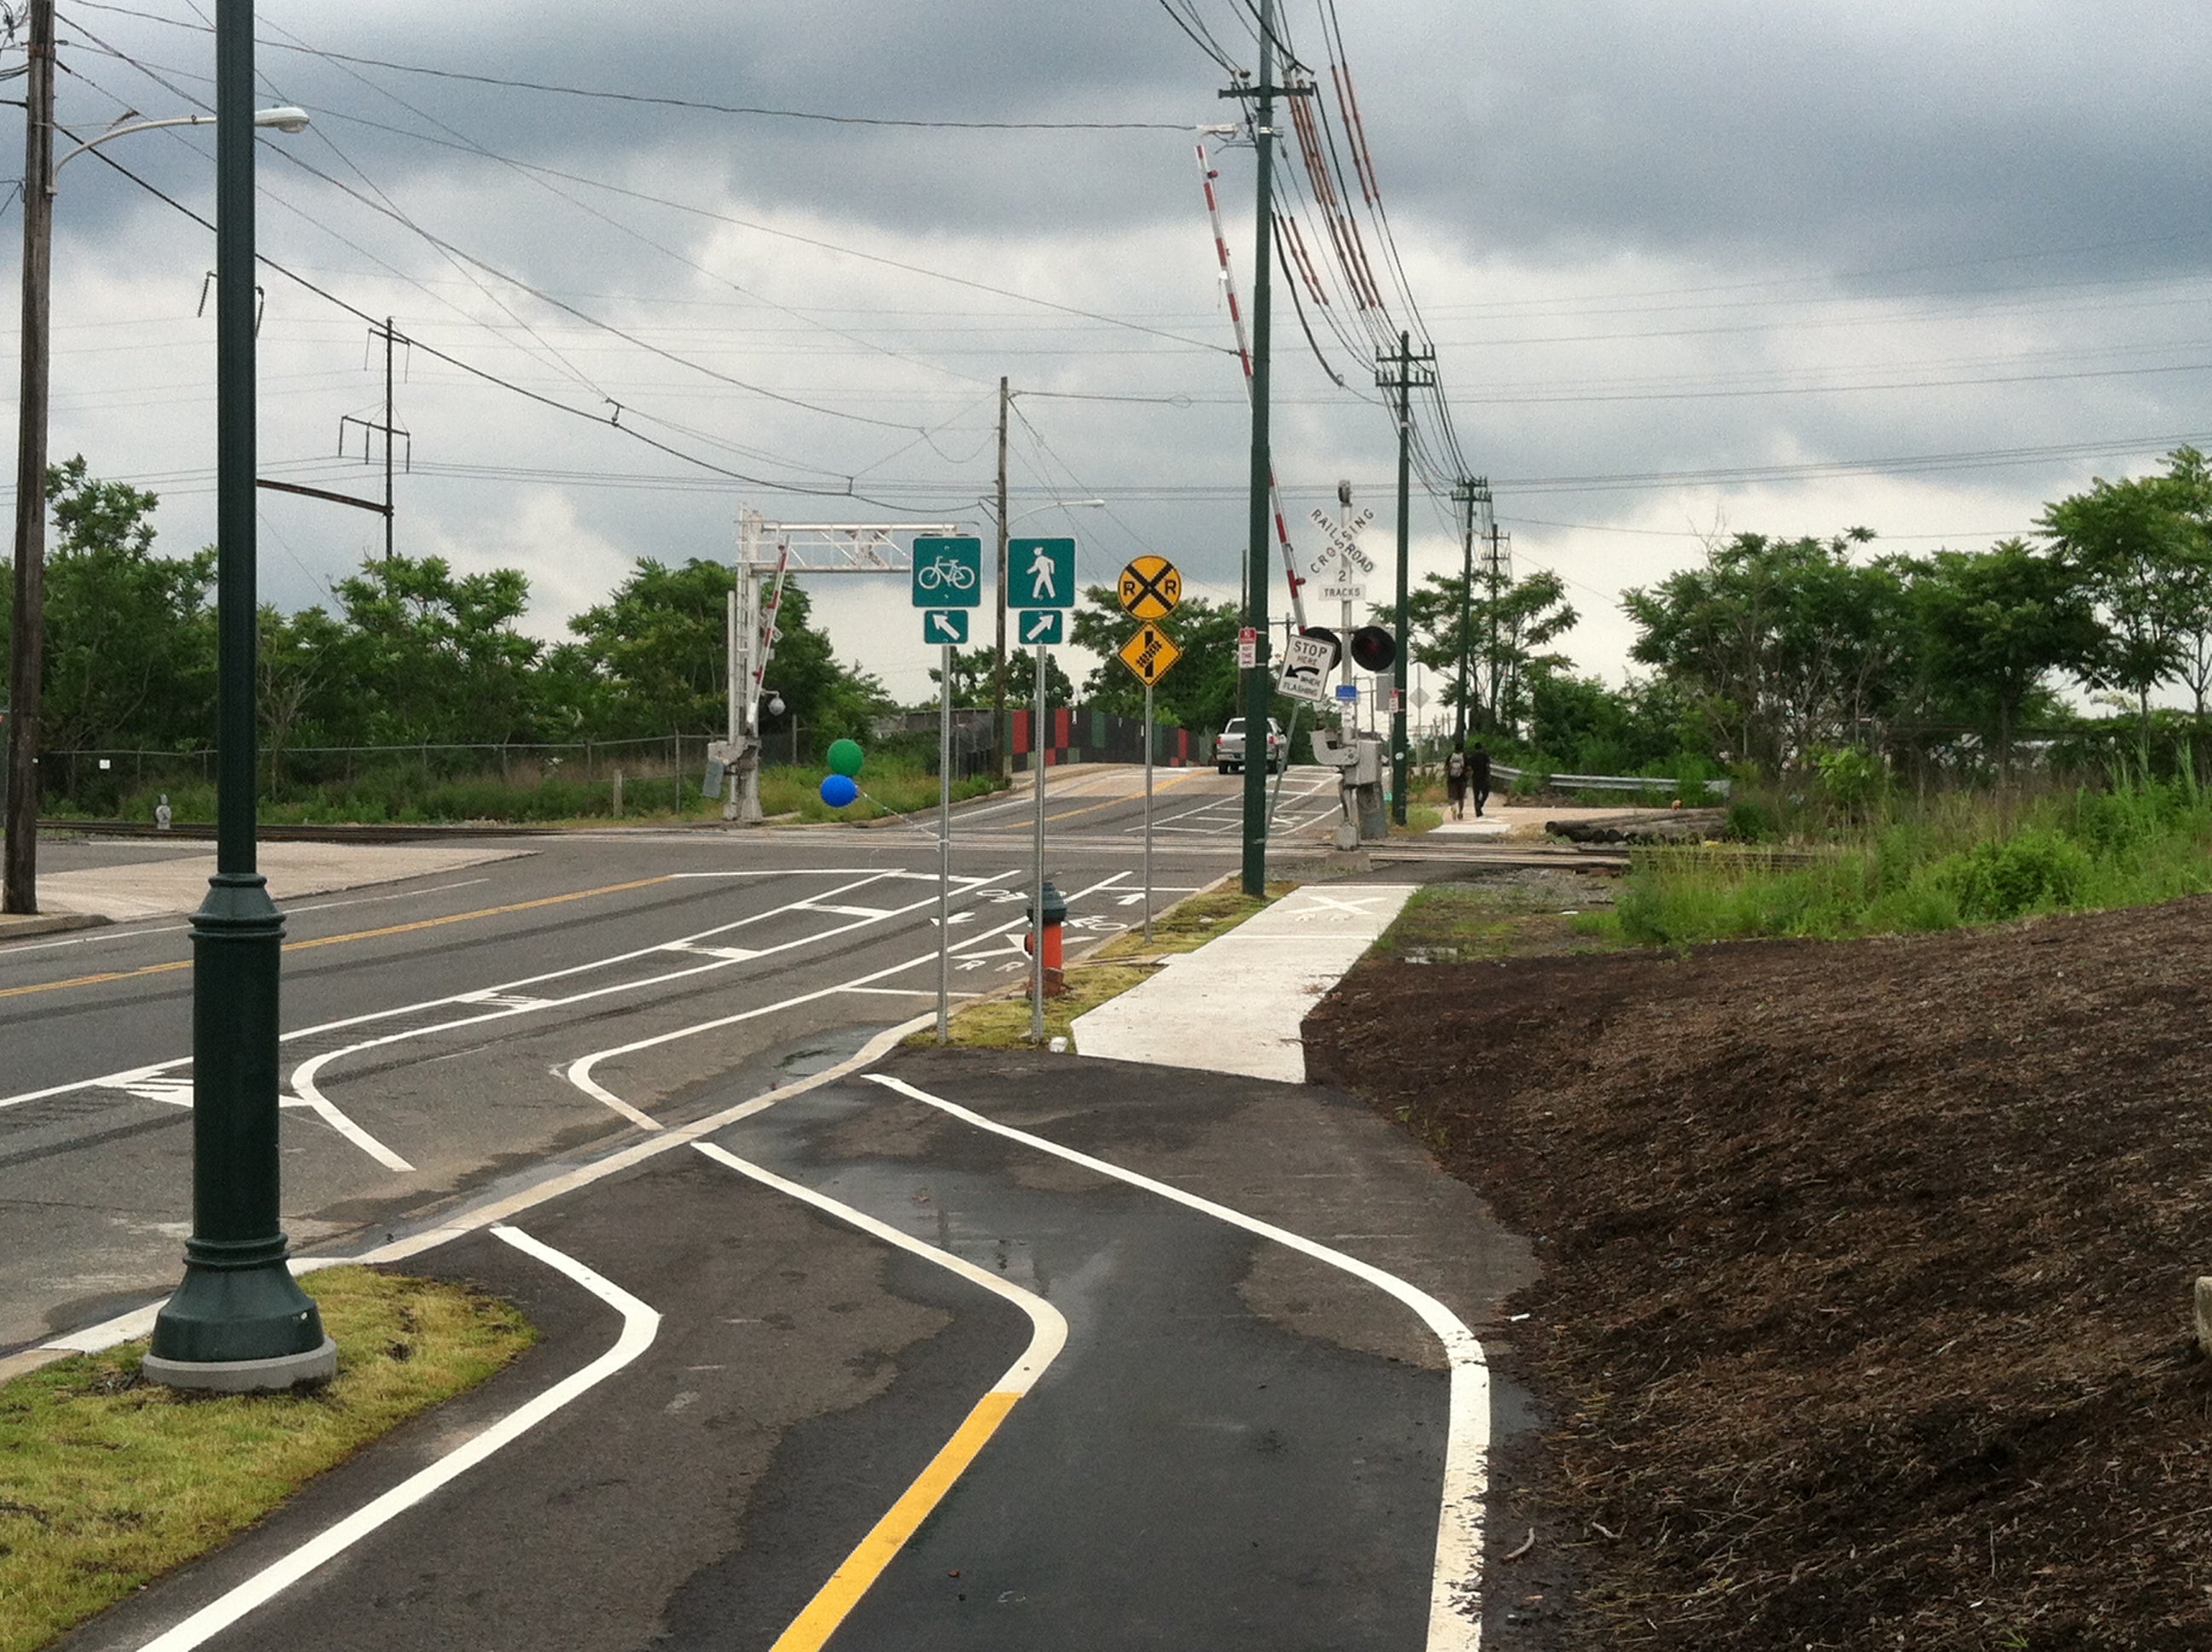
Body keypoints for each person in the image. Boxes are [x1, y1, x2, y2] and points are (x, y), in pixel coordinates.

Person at [1445, 742, 1469, 819]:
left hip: (1451, 779)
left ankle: (1453, 807)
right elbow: (1468, 768)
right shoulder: (1464, 756)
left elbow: (1446, 768)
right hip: (1462, 779)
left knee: (1451, 796)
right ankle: (1460, 812)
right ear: (1462, 748)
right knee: (1461, 797)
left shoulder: (1450, 756)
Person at [1470, 742, 1492, 817]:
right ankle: (1480, 804)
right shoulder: (1485, 756)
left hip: (1475, 777)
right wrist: (1488, 776)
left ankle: (1477, 811)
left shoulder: (1472, 757)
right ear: (1481, 748)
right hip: (1483, 777)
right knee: (1485, 792)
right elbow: (1488, 766)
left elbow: (1469, 768)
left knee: (1476, 794)